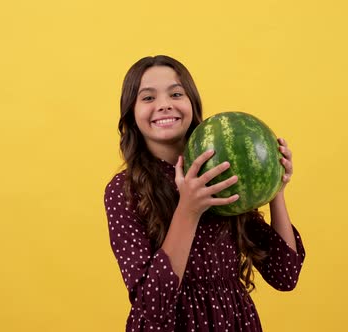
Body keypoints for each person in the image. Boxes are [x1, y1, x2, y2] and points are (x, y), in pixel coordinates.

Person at [104, 55, 305, 331]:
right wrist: (189, 209)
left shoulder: (220, 173)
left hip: (233, 322)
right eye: (148, 98)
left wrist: (274, 187)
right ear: (131, 114)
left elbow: (286, 274)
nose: (165, 105)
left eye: (176, 93)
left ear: (193, 105)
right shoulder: (124, 190)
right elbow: (153, 306)